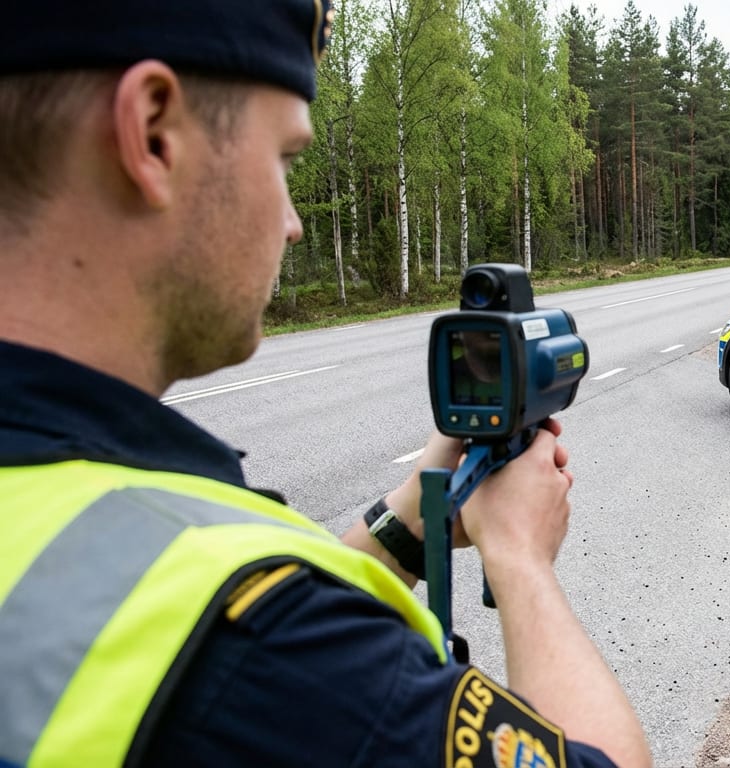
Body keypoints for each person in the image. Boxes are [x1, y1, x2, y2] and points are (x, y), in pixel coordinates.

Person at [0, 3, 651, 767]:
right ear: (152, 134)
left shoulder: (66, 500)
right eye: (283, 161)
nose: (294, 222)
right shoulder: (275, 655)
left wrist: (414, 516)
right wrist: (519, 558)